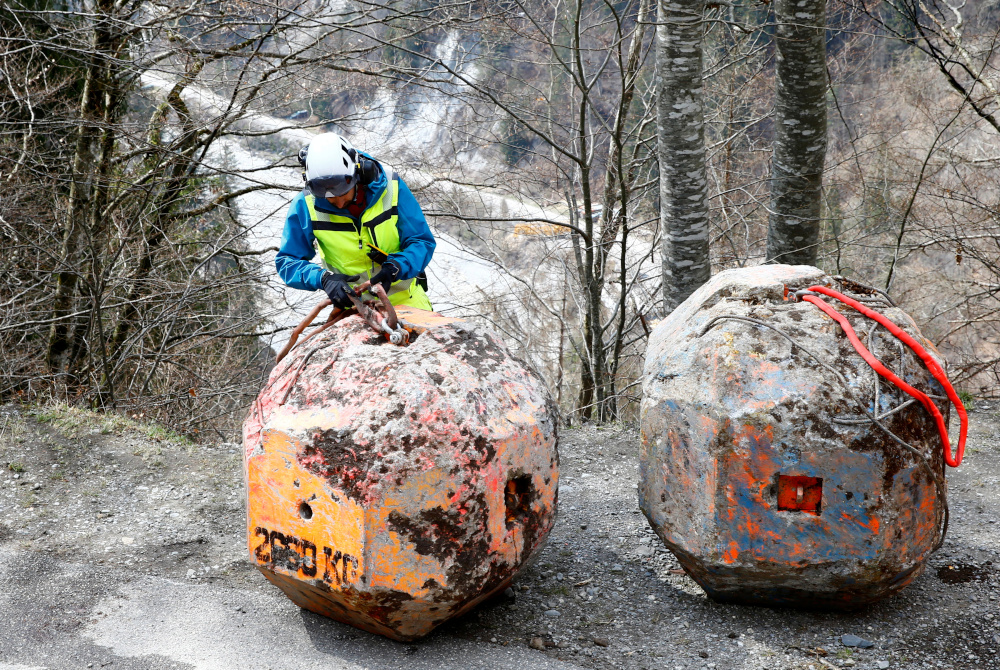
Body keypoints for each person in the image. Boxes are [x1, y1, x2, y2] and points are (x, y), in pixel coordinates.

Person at [275, 132, 435, 311]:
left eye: (343, 193)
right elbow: (288, 261)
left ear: (358, 173)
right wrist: (322, 278)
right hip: (352, 309)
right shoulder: (306, 204)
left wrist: (397, 266)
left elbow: (421, 241)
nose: (339, 203)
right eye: (330, 199)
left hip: (407, 301)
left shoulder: (392, 187)